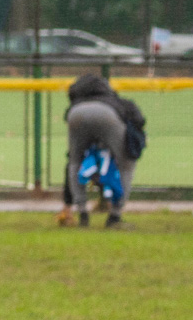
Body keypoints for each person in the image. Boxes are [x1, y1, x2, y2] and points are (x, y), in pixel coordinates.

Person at [60, 74, 145, 228]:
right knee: (126, 164)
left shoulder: (76, 102)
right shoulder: (115, 100)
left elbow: (67, 118)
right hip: (108, 114)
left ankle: (82, 213)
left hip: (76, 114)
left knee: (74, 162)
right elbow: (139, 120)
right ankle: (115, 216)